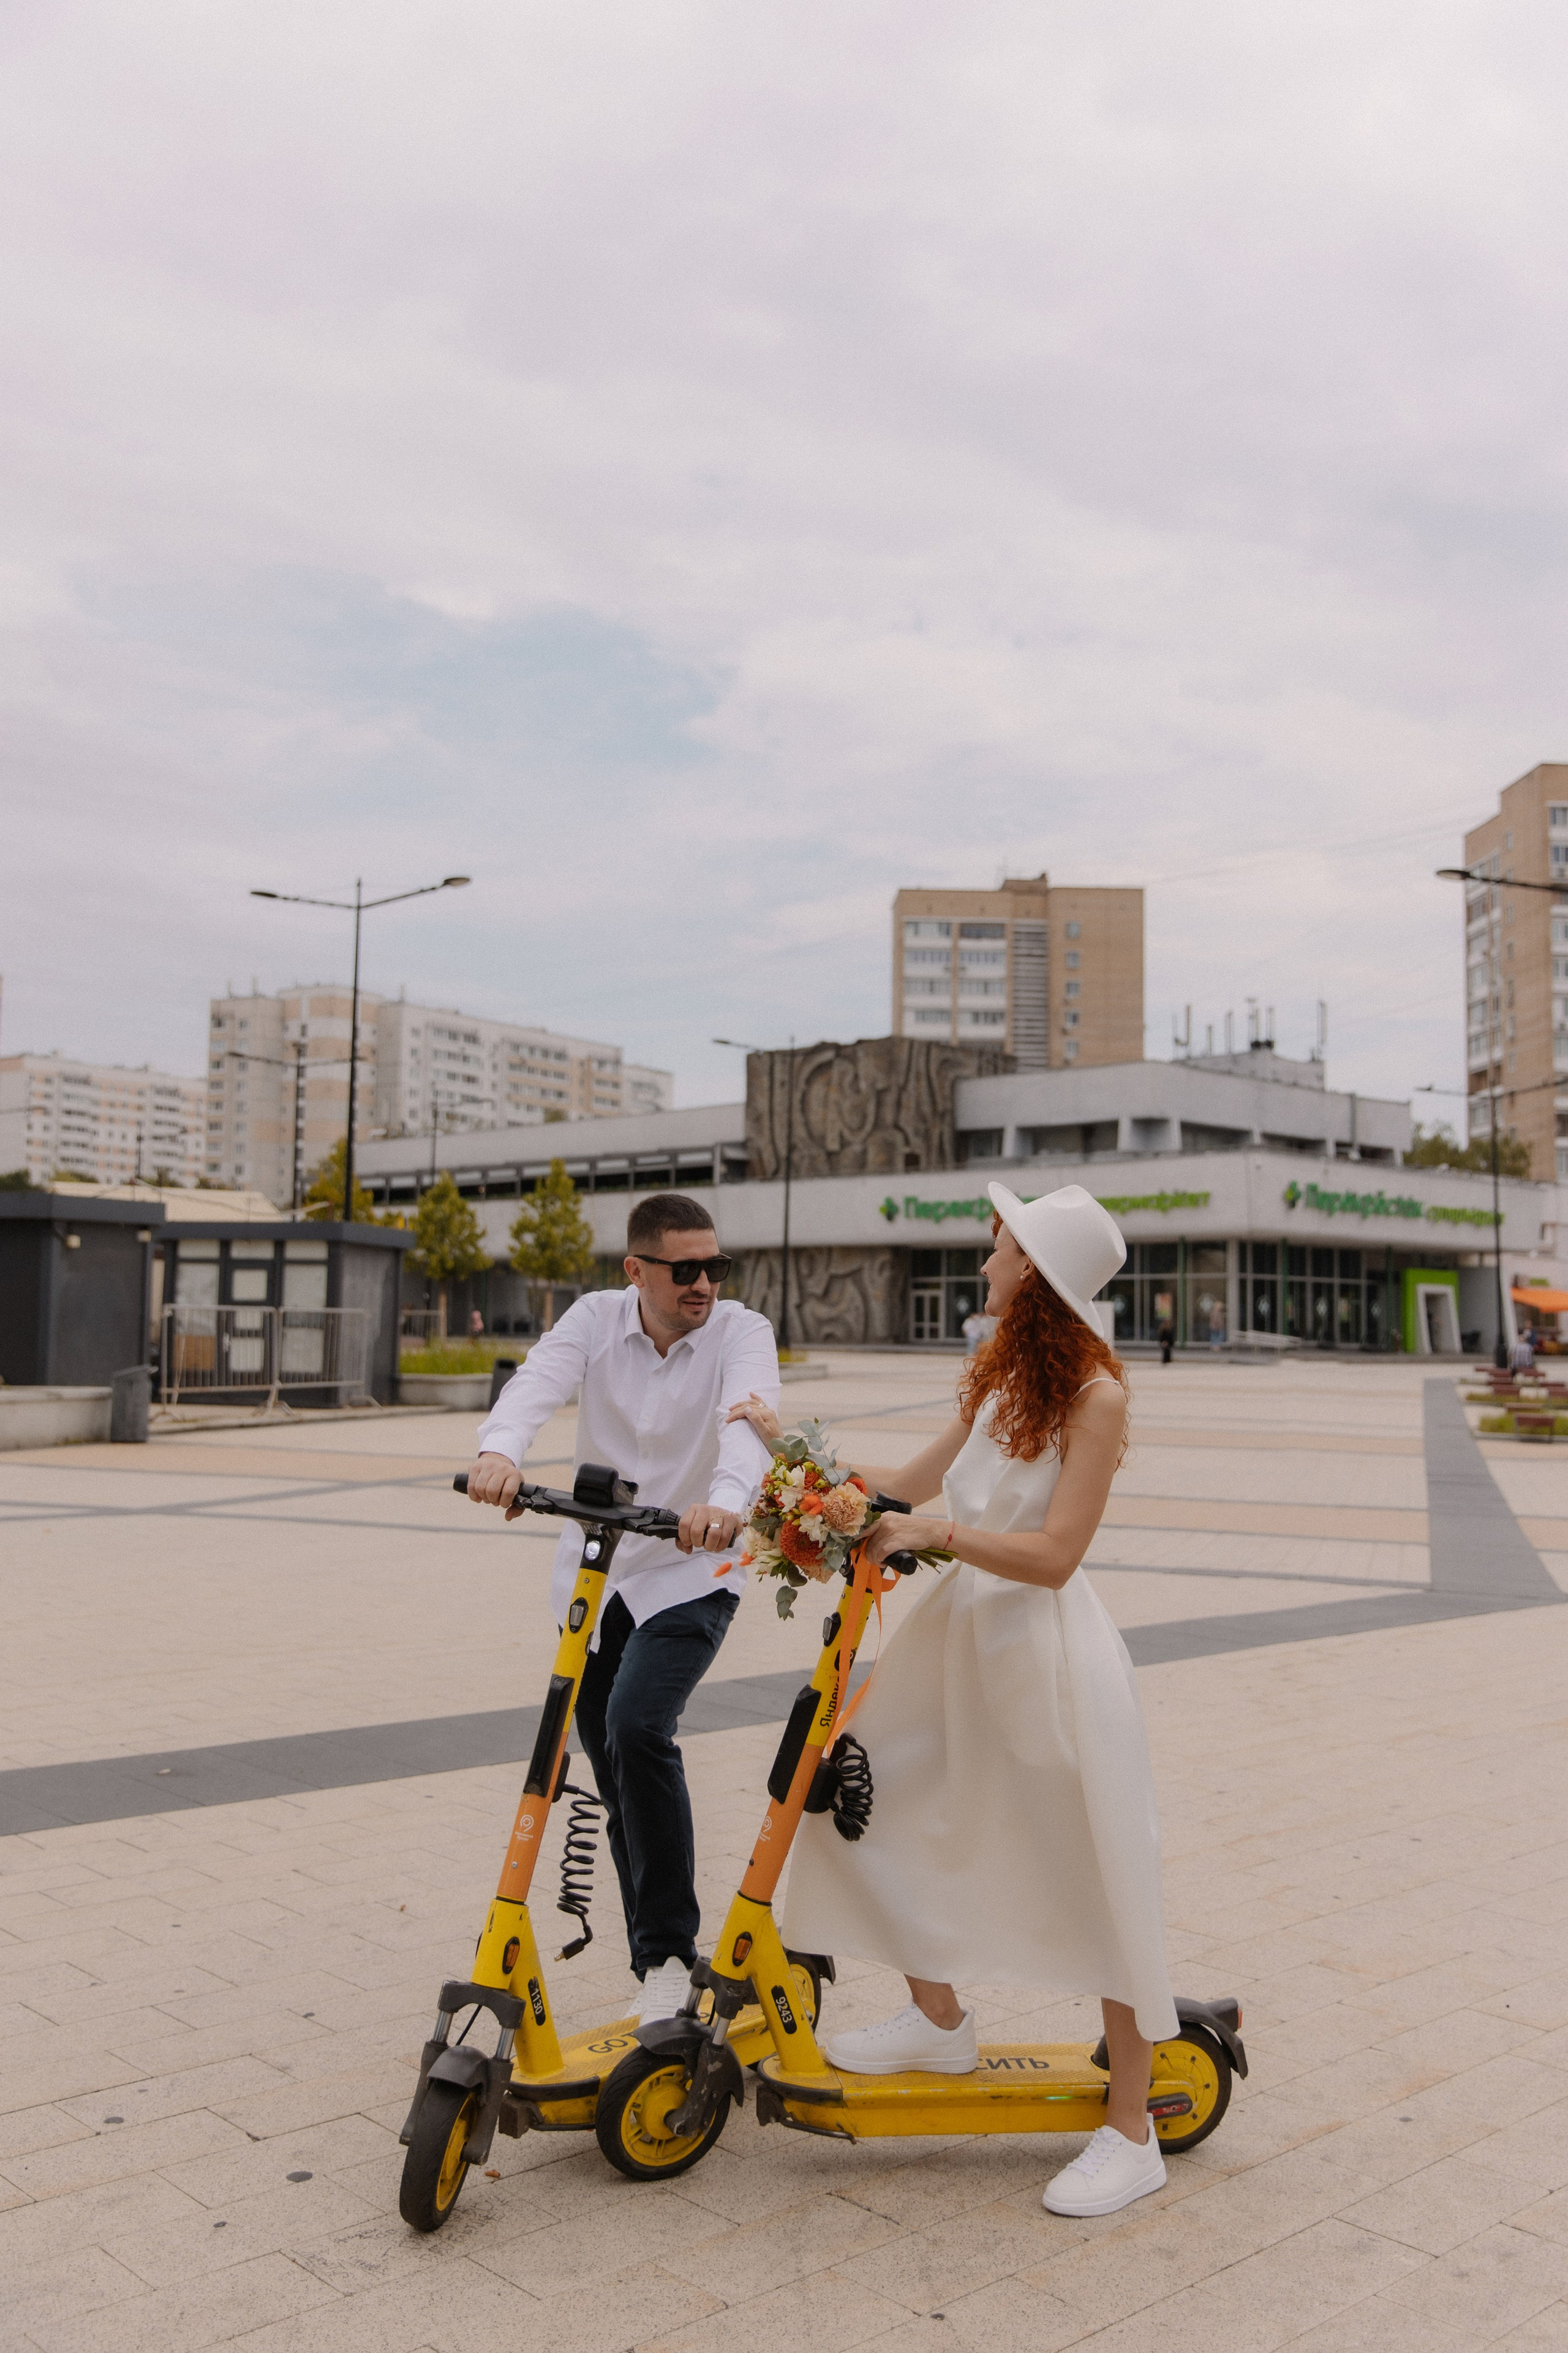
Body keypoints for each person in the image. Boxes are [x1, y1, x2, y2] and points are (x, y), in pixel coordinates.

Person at [729, 1180, 1177, 2219]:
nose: (985, 1266)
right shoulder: (1000, 1383)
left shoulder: (1097, 1400)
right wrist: (787, 1445)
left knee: (1103, 1879)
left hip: (1051, 1665)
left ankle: (1131, 2128)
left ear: (1038, 1274)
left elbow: (1057, 1557)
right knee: (852, 1804)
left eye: (1000, 1249)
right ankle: (939, 2020)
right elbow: (905, 1485)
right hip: (959, 1650)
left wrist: (940, 1535)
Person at [466, 1194, 778, 2023]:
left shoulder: (742, 1332)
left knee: (640, 1725)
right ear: (636, 1270)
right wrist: (499, 1452)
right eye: (686, 1270)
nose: (705, 1283)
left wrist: (724, 1498)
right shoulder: (596, 1319)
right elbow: (536, 1381)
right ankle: (657, 1966)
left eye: (715, 1266)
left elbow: (746, 1420)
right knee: (613, 1764)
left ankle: (671, 1955)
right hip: (599, 1575)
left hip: (692, 1568)